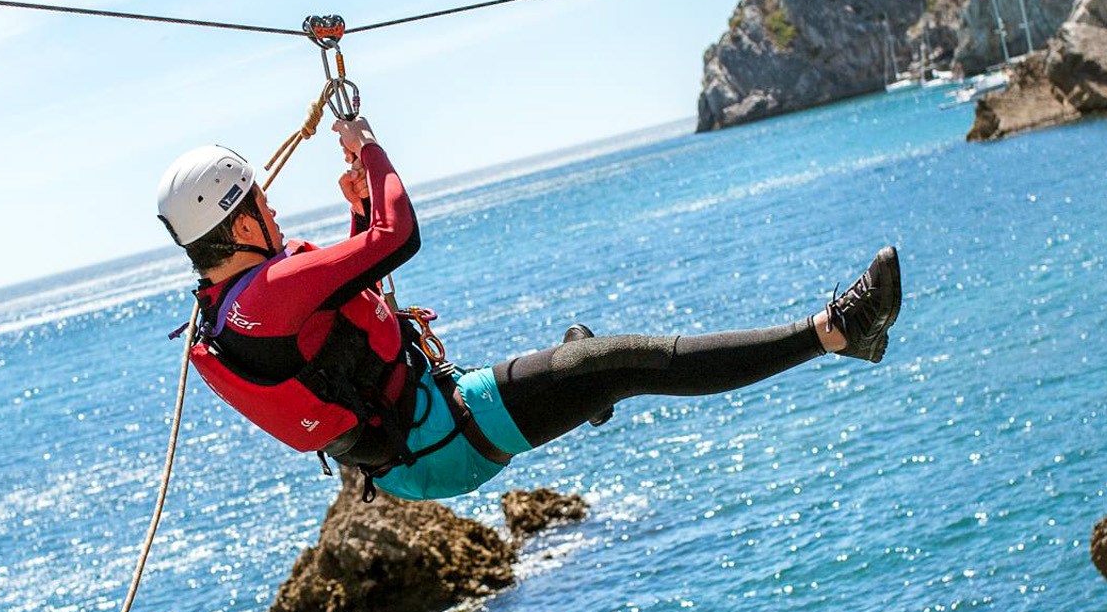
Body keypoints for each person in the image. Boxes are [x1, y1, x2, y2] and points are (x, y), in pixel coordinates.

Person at [156, 118, 902, 502]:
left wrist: (354, 219)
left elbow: (336, 323)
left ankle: (582, 387)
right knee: (623, 364)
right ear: (237, 220)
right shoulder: (269, 292)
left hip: (417, 443)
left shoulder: (232, 306)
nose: (273, 204)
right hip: (441, 438)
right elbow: (399, 237)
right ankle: (839, 332)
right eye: (260, 200)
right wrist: (370, 151)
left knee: (583, 370)